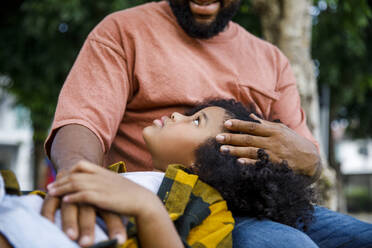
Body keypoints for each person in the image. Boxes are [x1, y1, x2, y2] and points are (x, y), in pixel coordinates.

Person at [42, 0, 372, 247]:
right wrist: (78, 176)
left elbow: (306, 160)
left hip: (264, 207)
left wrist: (310, 159)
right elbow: (81, 122)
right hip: (180, 210)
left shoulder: (271, 60)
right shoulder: (122, 32)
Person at [0, 99, 314, 248]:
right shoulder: (137, 177)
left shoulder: (209, 210)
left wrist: (149, 211)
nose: (178, 114)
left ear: (212, 162)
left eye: (195, 121)